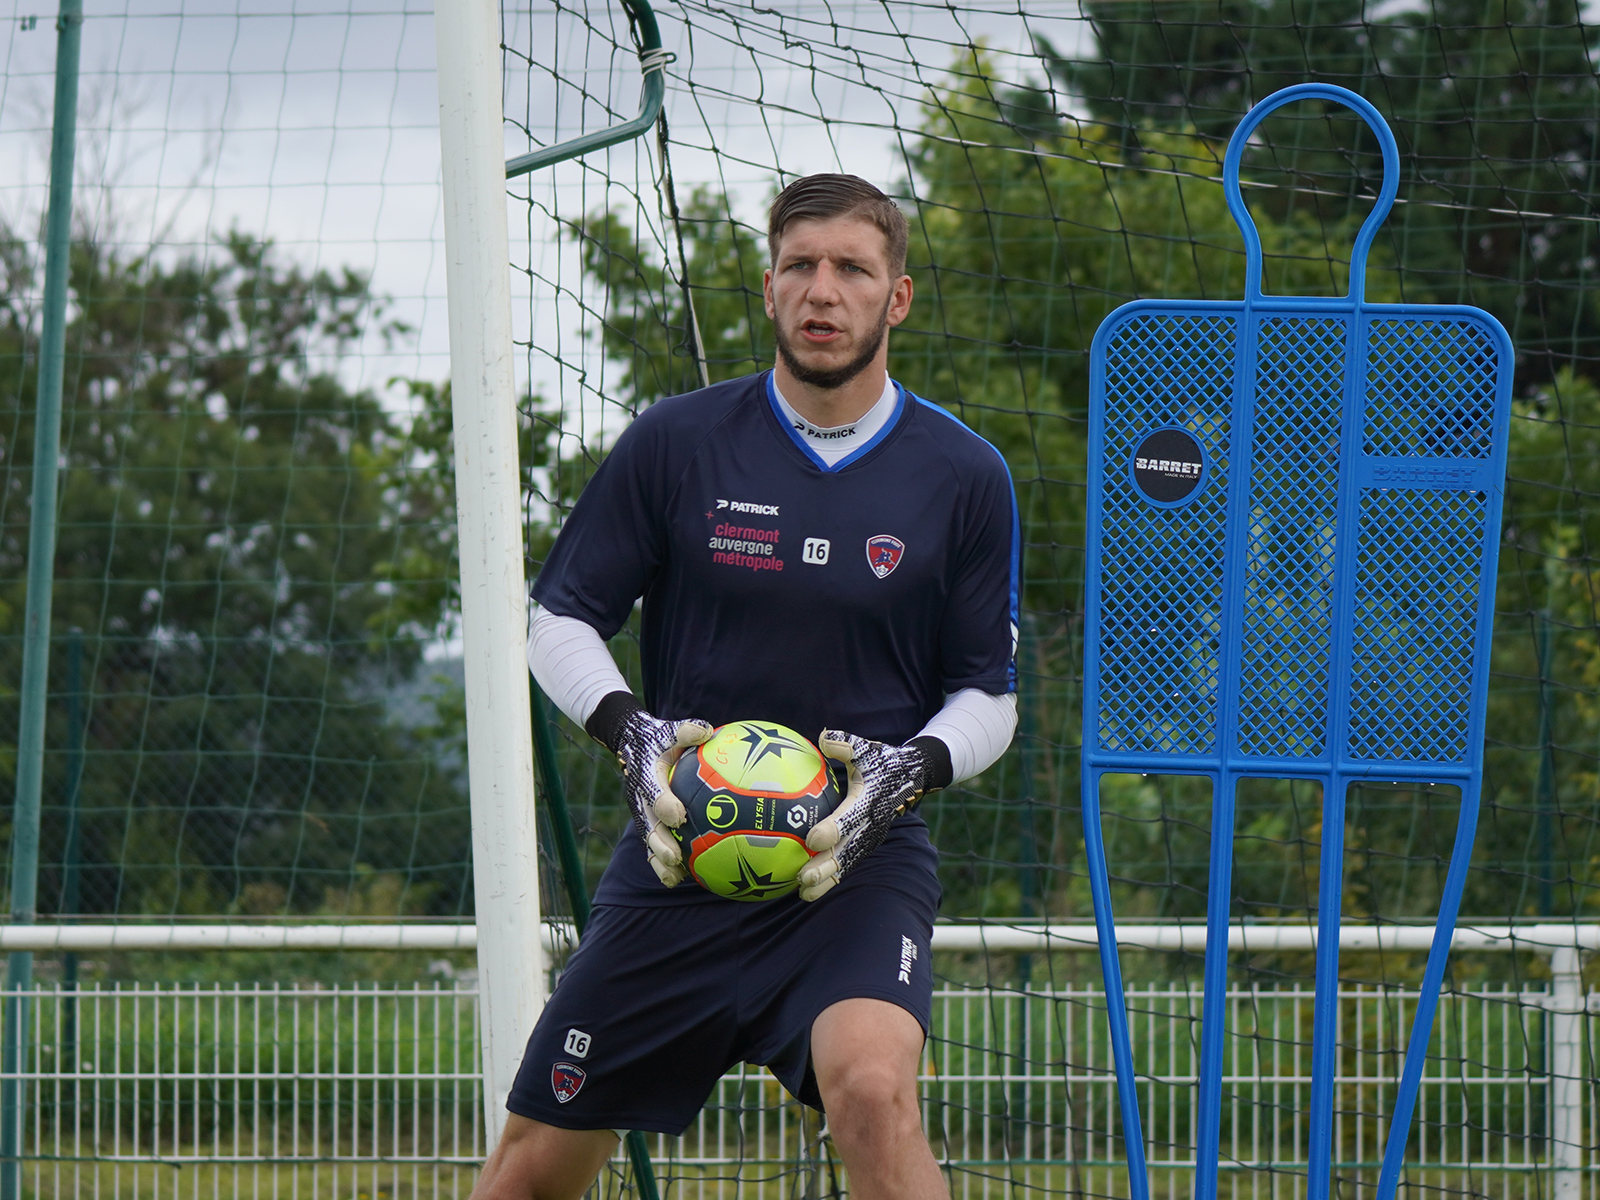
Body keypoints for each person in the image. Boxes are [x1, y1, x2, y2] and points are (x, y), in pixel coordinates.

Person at [476, 174, 1019, 1200]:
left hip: (850, 866)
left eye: (853, 268)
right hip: (678, 859)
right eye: (800, 266)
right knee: (529, 1173)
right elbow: (560, 620)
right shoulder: (675, 443)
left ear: (895, 297)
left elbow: (988, 693)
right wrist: (632, 731)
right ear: (767, 289)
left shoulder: (964, 474)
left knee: (871, 1090)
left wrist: (904, 773)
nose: (825, 291)